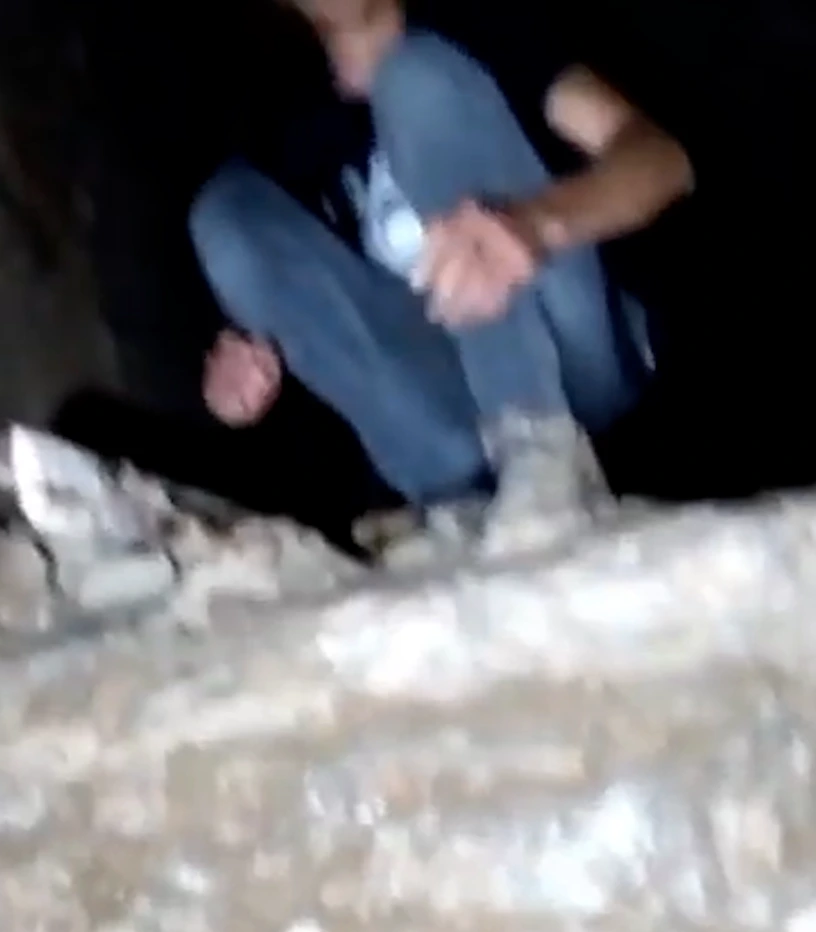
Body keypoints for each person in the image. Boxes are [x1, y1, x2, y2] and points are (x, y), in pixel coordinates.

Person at [186, 0, 695, 548]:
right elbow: (282, 278)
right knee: (226, 213)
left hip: (573, 363)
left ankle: (539, 449)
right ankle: (451, 499)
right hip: (447, 419)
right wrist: (239, 368)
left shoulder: (477, 25)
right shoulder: (287, 109)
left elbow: (665, 162)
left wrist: (537, 224)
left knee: (414, 80)